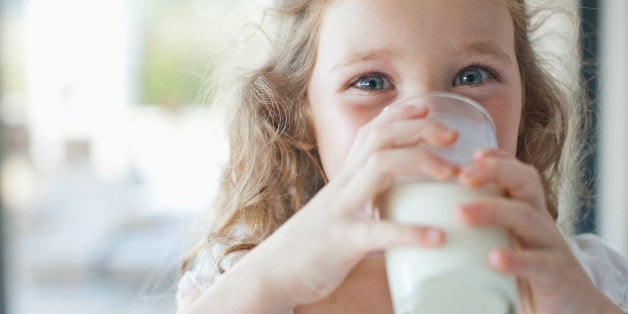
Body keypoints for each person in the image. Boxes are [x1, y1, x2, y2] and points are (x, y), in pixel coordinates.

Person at [176, 0, 628, 313]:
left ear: (526, 101)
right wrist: (274, 280)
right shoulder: (249, 284)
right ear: (301, 118)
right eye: (371, 83)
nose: (428, 122)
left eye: (472, 76)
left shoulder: (582, 281)